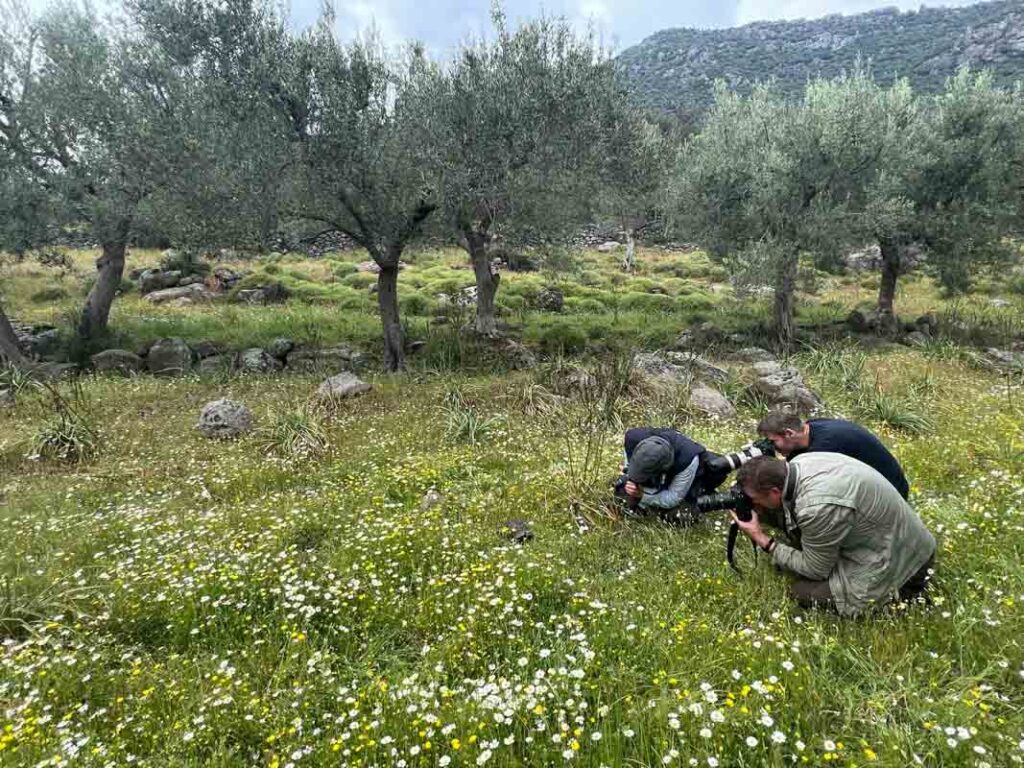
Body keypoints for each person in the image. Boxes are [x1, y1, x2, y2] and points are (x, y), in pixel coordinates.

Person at [732, 454, 936, 616]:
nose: (754, 504)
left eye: (755, 499)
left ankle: (904, 596)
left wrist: (762, 539)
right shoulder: (802, 462)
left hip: (905, 564)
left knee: (800, 592)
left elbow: (815, 570)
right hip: (905, 538)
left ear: (775, 491)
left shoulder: (816, 507)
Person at [757, 411, 910, 500]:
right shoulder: (812, 427)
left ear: (789, 433)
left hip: (891, 494)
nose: (772, 446)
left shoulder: (824, 448)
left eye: (772, 441)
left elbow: (798, 487)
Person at [614, 427, 728, 522]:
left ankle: (705, 494)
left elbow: (673, 498)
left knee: (678, 516)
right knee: (620, 487)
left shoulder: (687, 459)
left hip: (697, 475)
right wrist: (630, 477)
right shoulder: (633, 439)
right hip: (664, 471)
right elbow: (628, 466)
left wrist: (643, 496)